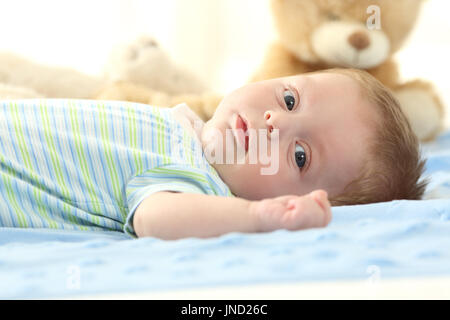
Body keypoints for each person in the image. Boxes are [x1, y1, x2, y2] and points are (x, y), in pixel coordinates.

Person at [0, 68, 427, 240]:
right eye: (291, 99)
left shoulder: (200, 185)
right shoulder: (194, 134)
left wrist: (258, 219)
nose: (274, 122)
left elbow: (154, 220)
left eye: (300, 156)